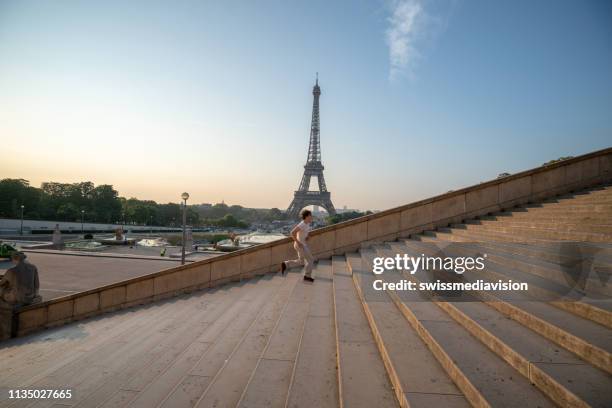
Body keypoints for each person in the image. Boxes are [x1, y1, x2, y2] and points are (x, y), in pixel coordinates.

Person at [281, 209, 315, 282]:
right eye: (310, 215)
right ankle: (307, 276)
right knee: (310, 259)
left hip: (302, 244)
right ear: (306, 216)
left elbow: (302, 233)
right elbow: (292, 232)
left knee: (301, 261)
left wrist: (306, 237)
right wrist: (298, 242)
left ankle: (285, 264)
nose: (312, 217)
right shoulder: (302, 224)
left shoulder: (307, 223)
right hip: (300, 245)